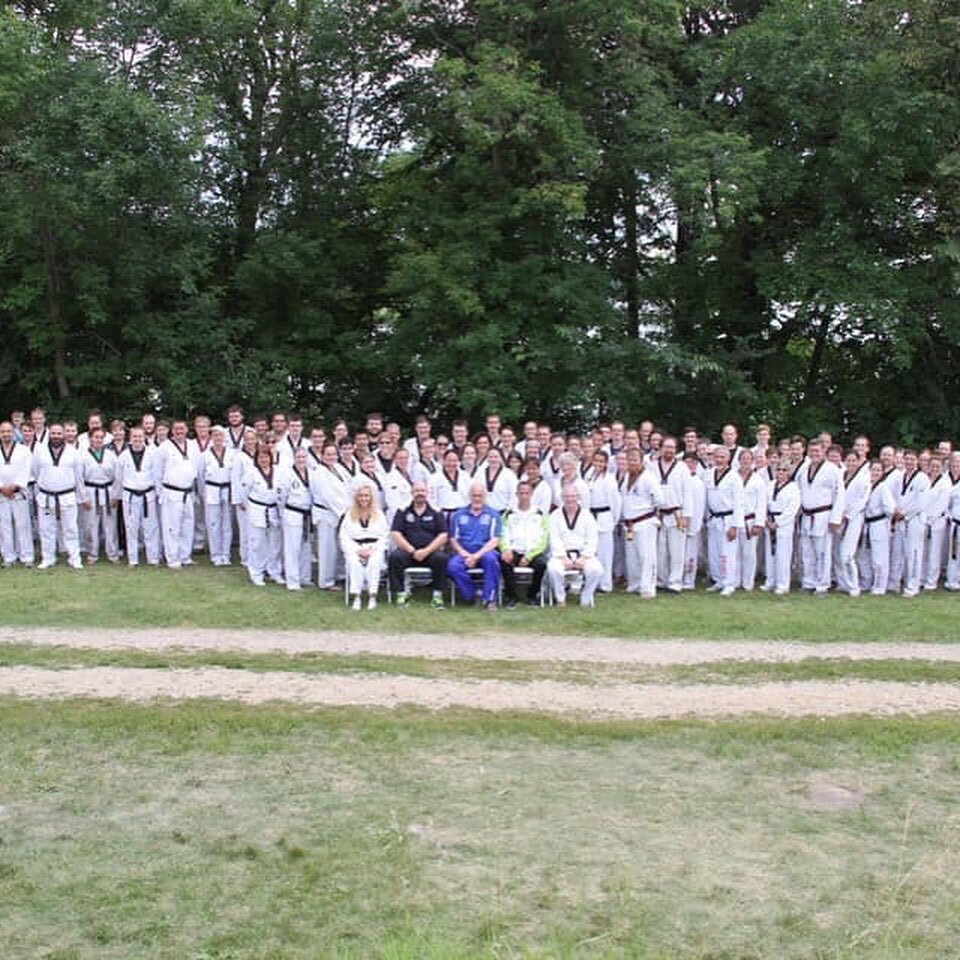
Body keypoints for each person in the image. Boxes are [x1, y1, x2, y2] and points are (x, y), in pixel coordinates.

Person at [389, 480, 449, 607]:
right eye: (416, 491)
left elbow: (443, 535)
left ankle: (437, 596)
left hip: (430, 553)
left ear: (427, 493)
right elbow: (395, 533)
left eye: (422, 491)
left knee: (441, 558)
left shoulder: (436, 511)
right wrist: (412, 551)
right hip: (409, 552)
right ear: (411, 493)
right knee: (395, 557)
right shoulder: (403, 510)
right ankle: (401, 594)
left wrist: (426, 551)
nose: (419, 493)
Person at [796, 439, 844, 594]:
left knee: (822, 551)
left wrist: (835, 518)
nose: (814, 454)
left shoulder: (832, 470)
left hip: (823, 515)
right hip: (806, 515)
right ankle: (809, 582)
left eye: (817, 451)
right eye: (812, 451)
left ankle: (823, 584)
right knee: (807, 552)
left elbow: (840, 495)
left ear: (824, 452)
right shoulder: (804, 469)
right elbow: (797, 491)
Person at [33, 423, 82, 569]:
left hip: (67, 495)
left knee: (71, 528)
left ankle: (74, 558)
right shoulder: (40, 451)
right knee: (46, 529)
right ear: (49, 434)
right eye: (53, 433)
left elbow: (78, 476)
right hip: (46, 496)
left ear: (64, 435)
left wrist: (81, 496)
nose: (56, 436)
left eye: (59, 433)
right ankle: (48, 558)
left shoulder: (73, 452)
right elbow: (36, 471)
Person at [448, 481, 502, 609]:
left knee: (491, 560)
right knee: (453, 567)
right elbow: (453, 539)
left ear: (485, 497)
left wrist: (476, 556)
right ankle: (474, 594)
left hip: (485, 551)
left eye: (480, 495)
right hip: (464, 551)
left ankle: (490, 599)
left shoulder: (493, 515)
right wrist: (465, 554)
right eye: (474, 495)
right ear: (470, 496)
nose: (477, 498)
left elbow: (495, 540)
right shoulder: (459, 514)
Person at [548, 484, 603, 607]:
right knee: (553, 569)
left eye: (573, 496)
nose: (570, 499)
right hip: (561, 555)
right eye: (567, 496)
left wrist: (584, 557)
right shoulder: (555, 515)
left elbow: (592, 539)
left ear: (578, 497)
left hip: (584, 555)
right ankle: (560, 598)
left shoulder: (587, 516)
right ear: (562, 498)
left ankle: (586, 597)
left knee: (596, 570)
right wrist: (563, 557)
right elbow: (554, 538)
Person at [619, 447, 662, 598]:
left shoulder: (649, 477)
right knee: (632, 556)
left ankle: (648, 587)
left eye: (634, 459)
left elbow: (659, 499)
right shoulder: (626, 477)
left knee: (646, 555)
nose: (631, 462)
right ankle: (635, 584)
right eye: (629, 459)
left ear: (641, 460)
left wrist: (650, 512)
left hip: (645, 521)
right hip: (630, 523)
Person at [499, 479, 549, 608]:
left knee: (541, 564)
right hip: (514, 550)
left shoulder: (540, 514)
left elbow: (543, 539)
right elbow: (502, 534)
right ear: (517, 494)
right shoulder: (509, 513)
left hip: (533, 552)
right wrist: (506, 549)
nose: (524, 496)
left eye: (527, 493)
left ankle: (532, 595)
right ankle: (511, 596)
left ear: (532, 494)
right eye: (521, 493)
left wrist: (530, 555)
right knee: (504, 562)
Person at [340, 479, 389, 610]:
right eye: (361, 496)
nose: (364, 498)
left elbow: (385, 535)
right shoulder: (349, 514)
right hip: (355, 548)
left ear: (371, 497)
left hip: (374, 548)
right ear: (356, 497)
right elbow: (344, 536)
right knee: (354, 563)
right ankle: (357, 596)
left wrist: (372, 550)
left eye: (366, 496)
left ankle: (372, 596)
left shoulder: (379, 514)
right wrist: (357, 550)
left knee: (374, 562)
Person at [116, 426, 161, 566]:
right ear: (130, 438)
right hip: (129, 495)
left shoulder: (152, 454)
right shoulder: (123, 456)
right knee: (131, 528)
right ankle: (133, 560)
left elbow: (157, 475)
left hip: (148, 495)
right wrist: (118, 496)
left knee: (151, 528)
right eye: (135, 436)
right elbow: (118, 478)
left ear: (144, 438)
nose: (137, 439)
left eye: (140, 436)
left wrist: (158, 494)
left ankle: (153, 559)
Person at [156, 420, 197, 569]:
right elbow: (157, 472)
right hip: (171, 491)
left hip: (188, 491)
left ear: (187, 429)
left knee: (187, 525)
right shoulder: (164, 447)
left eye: (182, 428)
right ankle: (172, 558)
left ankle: (185, 556)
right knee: (171, 526)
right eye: (176, 429)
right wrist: (160, 493)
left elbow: (195, 468)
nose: (179, 431)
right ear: (171, 431)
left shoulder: (192, 446)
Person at [311, 442, 350, 589]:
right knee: (327, 549)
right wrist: (344, 512)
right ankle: (325, 581)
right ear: (322, 455)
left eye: (333, 454)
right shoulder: (319, 472)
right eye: (328, 454)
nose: (331, 457)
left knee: (339, 547)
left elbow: (348, 488)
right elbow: (329, 496)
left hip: (341, 513)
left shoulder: (338, 468)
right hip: (327, 513)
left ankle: (339, 575)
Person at [705, 445, 743, 597]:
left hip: (728, 518)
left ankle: (729, 583)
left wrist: (735, 526)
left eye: (722, 457)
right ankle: (719, 580)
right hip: (714, 518)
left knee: (727, 553)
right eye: (717, 457)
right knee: (714, 552)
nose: (719, 460)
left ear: (728, 458)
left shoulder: (734, 477)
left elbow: (739, 503)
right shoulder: (709, 474)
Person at [77, 426, 119, 563]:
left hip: (108, 491)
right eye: (96, 437)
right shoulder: (82, 456)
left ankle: (112, 553)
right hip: (90, 491)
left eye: (101, 437)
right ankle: (92, 553)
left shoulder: (111, 455)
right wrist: (83, 498)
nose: (98, 440)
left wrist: (115, 496)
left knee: (110, 524)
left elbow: (118, 477)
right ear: (90, 439)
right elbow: (79, 479)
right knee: (91, 524)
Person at [243, 443, 283, 586]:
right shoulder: (251, 473)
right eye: (261, 457)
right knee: (257, 543)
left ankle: (274, 571)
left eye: (266, 457)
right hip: (257, 510)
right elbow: (244, 493)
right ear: (256, 458)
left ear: (270, 458)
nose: (264, 460)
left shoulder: (278, 471)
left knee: (275, 543)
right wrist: (249, 507)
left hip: (273, 510)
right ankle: (256, 573)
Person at [655, 437, 691, 593]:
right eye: (666, 447)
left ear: (676, 450)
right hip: (659, 513)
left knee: (677, 550)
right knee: (660, 549)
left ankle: (675, 581)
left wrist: (686, 515)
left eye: (672, 447)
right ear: (661, 448)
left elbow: (687, 493)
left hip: (677, 512)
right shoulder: (652, 466)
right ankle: (661, 579)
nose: (669, 450)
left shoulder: (682, 467)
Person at [892, 449, 929, 598]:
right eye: (907, 459)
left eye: (912, 459)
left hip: (915, 520)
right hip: (900, 519)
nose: (909, 462)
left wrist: (904, 513)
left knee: (913, 553)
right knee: (899, 553)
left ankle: (913, 586)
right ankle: (896, 583)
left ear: (917, 461)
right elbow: (895, 496)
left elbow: (921, 503)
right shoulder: (900, 477)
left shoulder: (922, 478)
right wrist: (896, 511)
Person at [277, 447, 314, 590]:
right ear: (294, 458)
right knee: (292, 548)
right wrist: (283, 513)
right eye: (298, 457)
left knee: (306, 547)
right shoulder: (287, 474)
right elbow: (281, 497)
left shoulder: (312, 473)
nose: (301, 460)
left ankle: (305, 577)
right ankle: (292, 581)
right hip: (292, 513)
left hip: (307, 515)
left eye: (304, 457)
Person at [584, 450, 621, 592]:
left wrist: (614, 520)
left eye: (601, 461)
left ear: (606, 463)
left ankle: (605, 585)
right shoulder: (589, 476)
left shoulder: (609, 479)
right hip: (591, 515)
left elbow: (615, 502)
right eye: (596, 461)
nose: (598, 464)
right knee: (592, 552)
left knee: (605, 553)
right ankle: (593, 583)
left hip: (605, 516)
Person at [761, 462, 800, 594]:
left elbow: (792, 509)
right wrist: (766, 519)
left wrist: (778, 523)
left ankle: (783, 584)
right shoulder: (770, 485)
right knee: (770, 553)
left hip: (784, 524)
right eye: (779, 469)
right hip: (769, 520)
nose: (781, 472)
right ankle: (770, 581)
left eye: (784, 470)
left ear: (789, 472)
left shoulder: (793, 488)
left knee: (783, 554)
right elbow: (764, 502)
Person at [0, 420, 34, 566]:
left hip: (19, 493)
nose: (6, 434)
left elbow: (26, 471)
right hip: (1, 494)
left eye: (8, 431)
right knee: (4, 526)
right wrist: (2, 488)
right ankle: (9, 557)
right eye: (3, 431)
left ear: (14, 433)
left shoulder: (24, 450)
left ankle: (27, 557)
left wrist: (15, 487)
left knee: (23, 525)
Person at [836, 451, 869, 597]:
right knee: (837, 553)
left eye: (853, 461)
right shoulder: (840, 475)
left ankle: (854, 586)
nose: (850, 463)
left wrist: (848, 515)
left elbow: (862, 501)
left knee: (847, 555)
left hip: (853, 519)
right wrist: (838, 514)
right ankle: (843, 583)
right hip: (839, 518)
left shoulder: (863, 478)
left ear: (858, 462)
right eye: (848, 460)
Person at [860, 461, 897, 595]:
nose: (874, 473)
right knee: (864, 556)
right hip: (867, 524)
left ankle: (880, 586)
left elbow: (890, 509)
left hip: (879, 524)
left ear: (882, 473)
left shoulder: (883, 487)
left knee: (879, 557)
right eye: (873, 470)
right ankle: (866, 582)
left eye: (878, 470)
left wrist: (887, 524)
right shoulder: (867, 486)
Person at [201, 425, 234, 566]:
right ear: (211, 437)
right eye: (215, 435)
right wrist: (203, 493)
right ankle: (215, 554)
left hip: (227, 489)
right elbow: (200, 476)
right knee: (213, 524)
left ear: (224, 437)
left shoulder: (232, 454)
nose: (218, 438)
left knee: (227, 525)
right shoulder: (204, 455)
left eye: (220, 435)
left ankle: (226, 554)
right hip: (211, 490)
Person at [736, 449, 767, 591]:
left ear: (752, 461)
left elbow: (762, 503)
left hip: (750, 520)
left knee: (749, 553)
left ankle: (748, 582)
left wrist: (759, 523)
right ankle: (735, 580)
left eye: (748, 459)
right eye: (743, 458)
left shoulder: (758, 480)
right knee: (735, 552)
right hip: (735, 519)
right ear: (739, 460)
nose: (745, 461)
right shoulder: (732, 477)